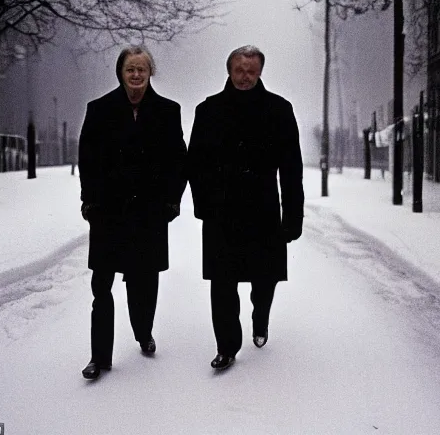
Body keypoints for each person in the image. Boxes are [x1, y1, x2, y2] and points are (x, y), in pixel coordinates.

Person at [188, 45, 304, 370]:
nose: (245, 76)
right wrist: (204, 206)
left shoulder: (280, 110)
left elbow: (291, 168)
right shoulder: (208, 110)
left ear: (261, 71)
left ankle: (260, 317)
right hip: (221, 211)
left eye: (251, 71)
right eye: (239, 70)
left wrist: (293, 217)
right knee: (222, 282)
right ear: (229, 70)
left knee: (263, 278)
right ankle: (226, 346)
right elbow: (195, 164)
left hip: (264, 209)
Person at [78, 45, 187, 380]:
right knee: (102, 285)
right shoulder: (99, 110)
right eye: (130, 69)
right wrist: (91, 200)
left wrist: (171, 201)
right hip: (109, 212)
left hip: (149, 212)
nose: (136, 75)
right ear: (120, 73)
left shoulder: (168, 111)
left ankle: (143, 332)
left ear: (150, 72)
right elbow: (88, 159)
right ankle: (99, 357)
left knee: (144, 280)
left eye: (142, 69)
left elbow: (178, 161)